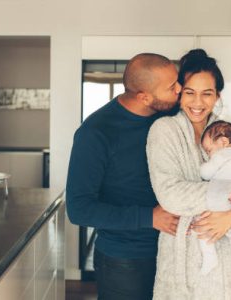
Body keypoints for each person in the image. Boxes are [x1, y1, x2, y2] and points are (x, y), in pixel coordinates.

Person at [66, 53, 181, 300]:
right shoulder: (95, 133)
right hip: (124, 261)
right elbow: (78, 209)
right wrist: (149, 217)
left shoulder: (166, 116)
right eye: (172, 87)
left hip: (172, 251)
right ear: (144, 97)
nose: (180, 90)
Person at [146, 49, 231, 299]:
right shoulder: (164, 130)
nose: (198, 103)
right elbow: (171, 194)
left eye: (207, 94)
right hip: (184, 264)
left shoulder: (227, 133)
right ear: (179, 94)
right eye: (190, 93)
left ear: (217, 96)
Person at [199, 120, 231, 275]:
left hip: (224, 197)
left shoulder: (221, 156)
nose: (208, 155)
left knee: (202, 224)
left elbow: (205, 173)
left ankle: (210, 257)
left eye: (209, 150)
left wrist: (203, 164)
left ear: (223, 142)